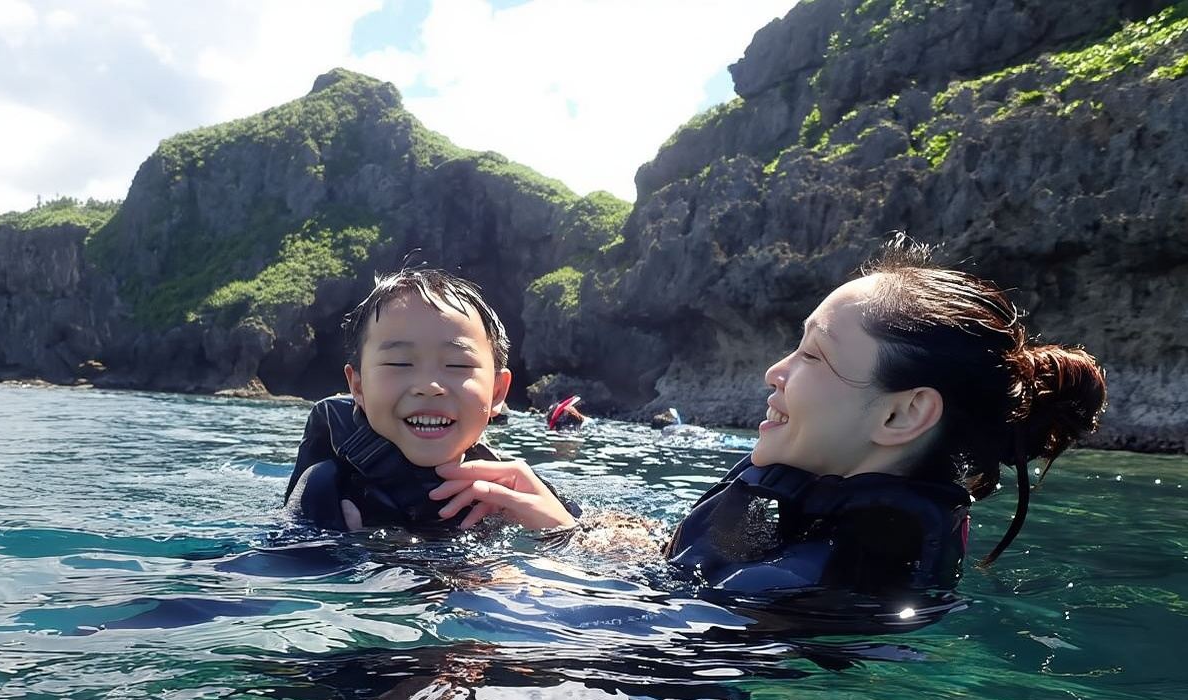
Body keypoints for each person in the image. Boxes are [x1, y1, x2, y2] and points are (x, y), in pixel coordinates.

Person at [432, 238, 1106, 602]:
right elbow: (686, 571)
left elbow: (640, 675)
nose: (774, 371)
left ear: (902, 412)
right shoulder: (825, 515)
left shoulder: (822, 583)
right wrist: (572, 528)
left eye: (813, 353)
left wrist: (505, 583)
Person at [284, 268, 577, 533]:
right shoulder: (324, 493)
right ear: (358, 388)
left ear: (497, 392)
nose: (429, 387)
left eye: (458, 365)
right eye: (399, 364)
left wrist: (562, 533)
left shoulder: (522, 492)